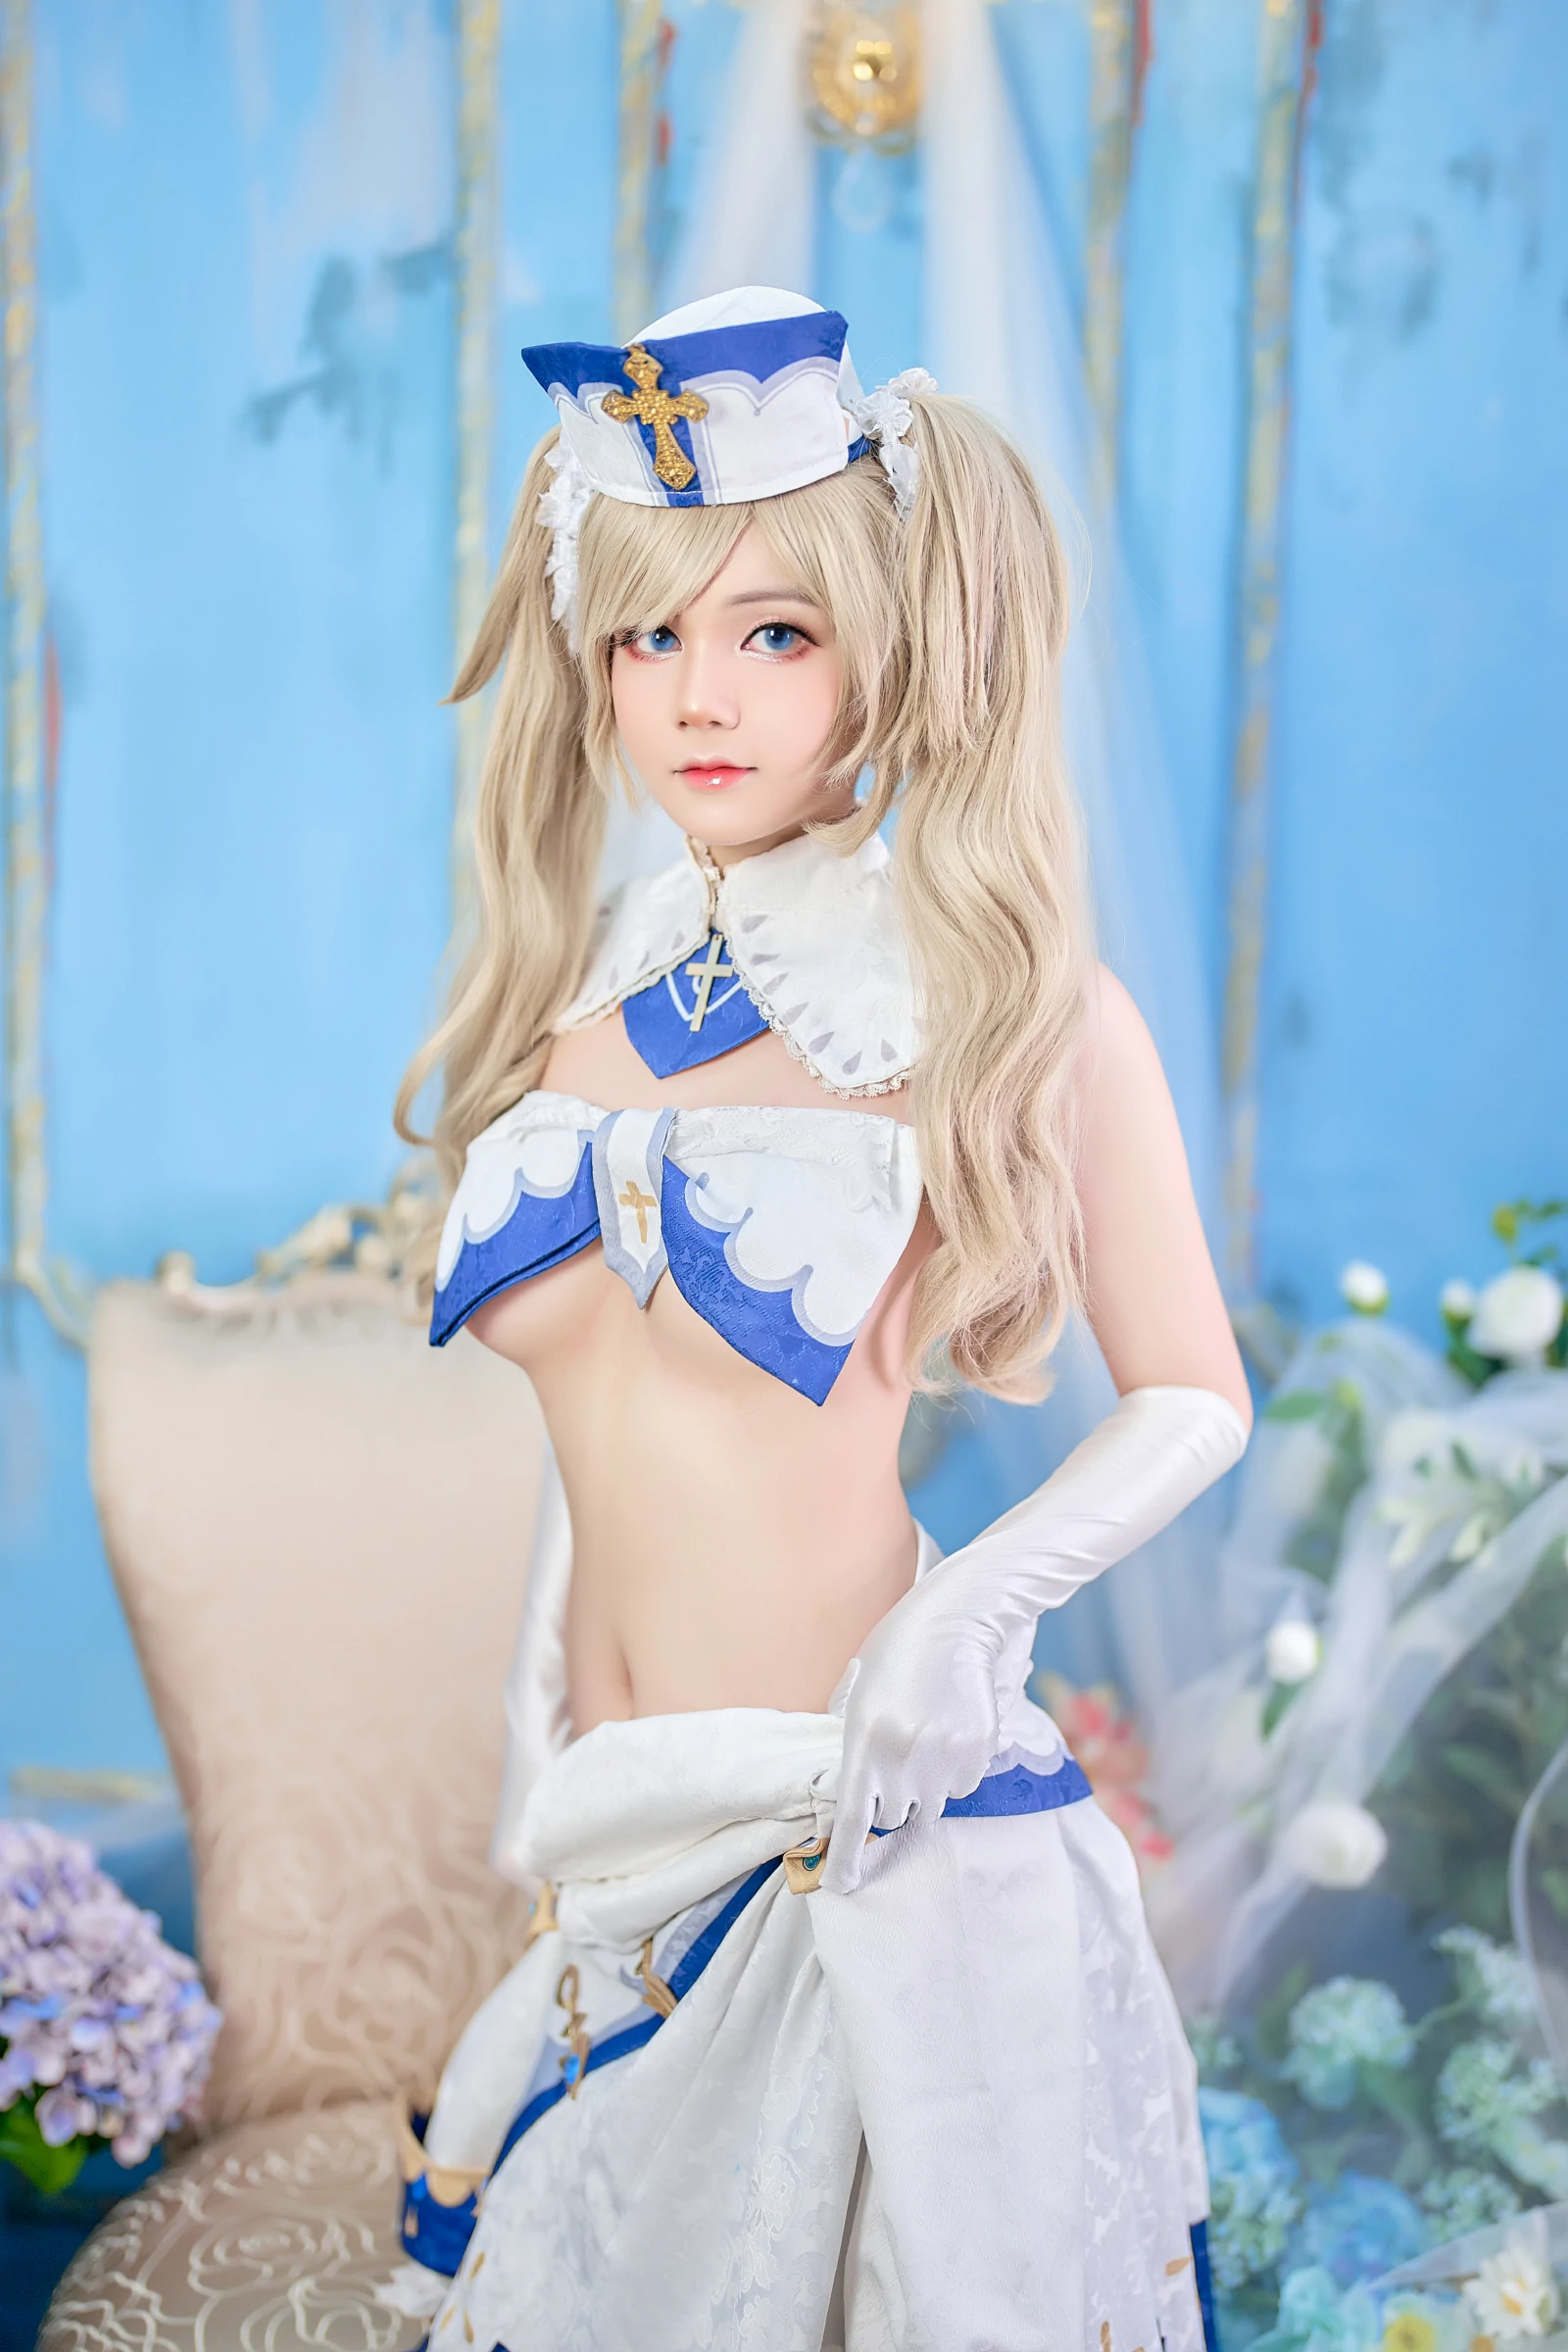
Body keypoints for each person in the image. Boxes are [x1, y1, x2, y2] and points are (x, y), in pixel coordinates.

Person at [382, 286, 1250, 2352]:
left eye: (775, 632)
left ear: (889, 642)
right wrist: (542, 1688)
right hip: (612, 1845)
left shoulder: (997, 1010)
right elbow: (605, 1431)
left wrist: (965, 1625)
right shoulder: (569, 994)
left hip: (856, 1848)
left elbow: (1194, 1397)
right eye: (647, 635)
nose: (700, 695)